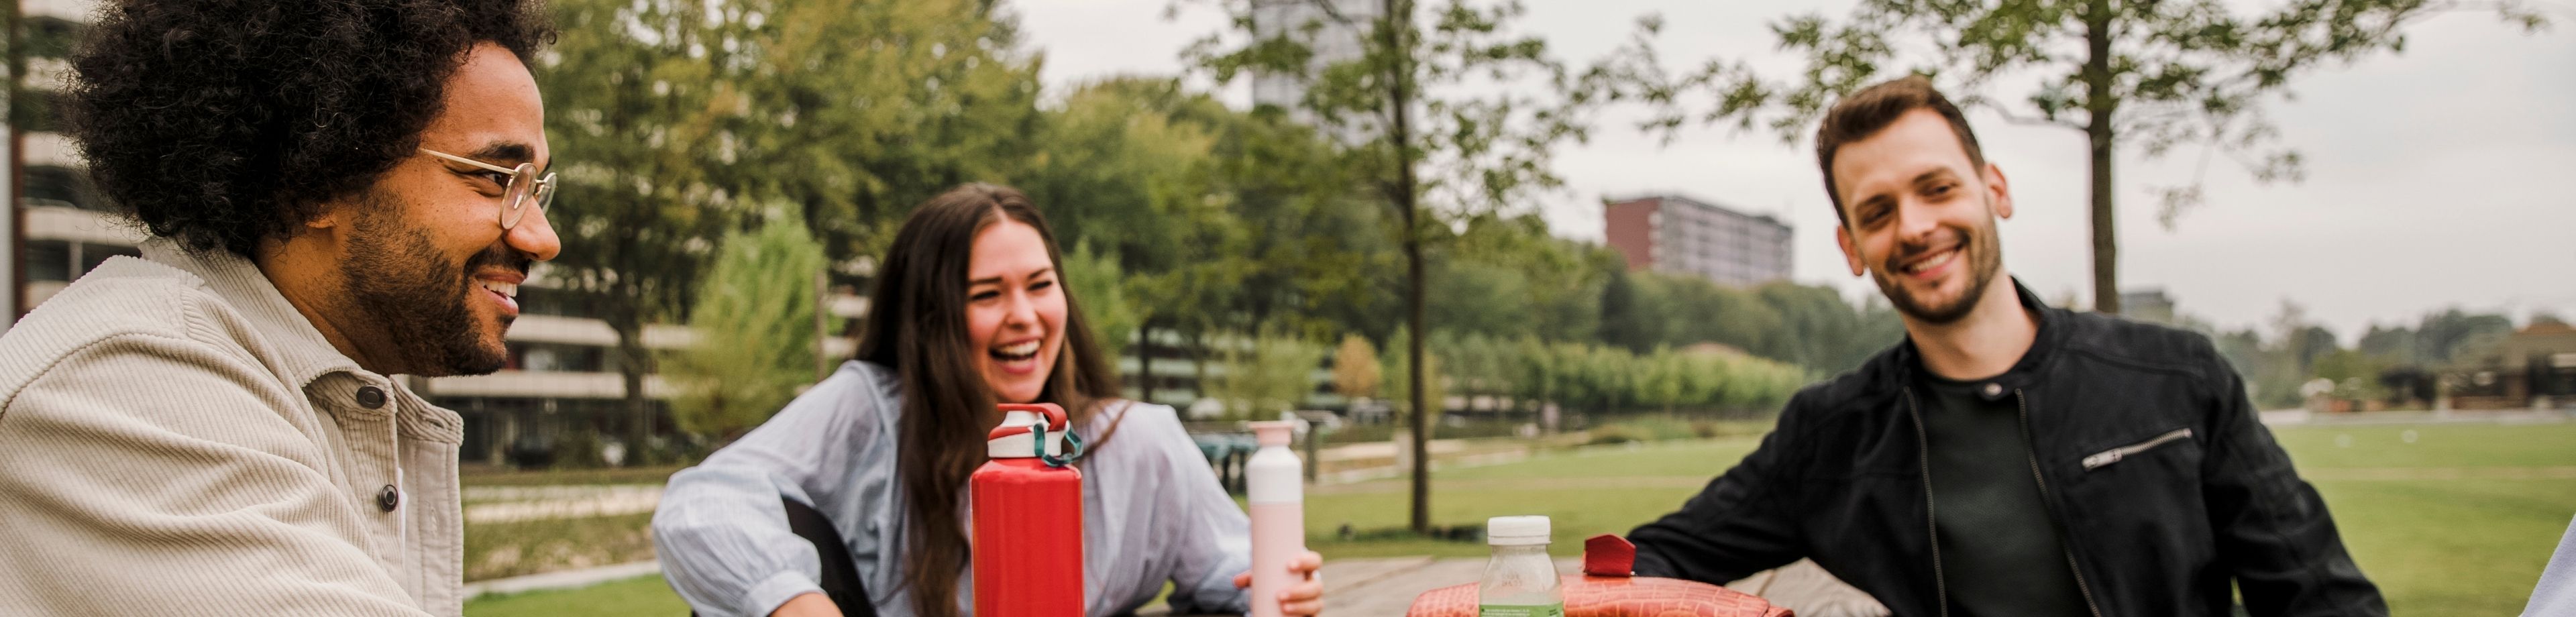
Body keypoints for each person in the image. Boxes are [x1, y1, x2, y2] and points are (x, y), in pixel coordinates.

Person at [1625, 76, 2385, 617]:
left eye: (1937, 188)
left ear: (1996, 190)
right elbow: (1646, 565)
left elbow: (2321, 597)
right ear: (1851, 245)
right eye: (1879, 210)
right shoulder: (1828, 435)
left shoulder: (2179, 379)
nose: (1915, 226)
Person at [0, 1, 559, 615]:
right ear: (316, 180)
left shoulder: (300, 388)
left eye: (536, 188)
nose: (542, 237)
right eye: (496, 179)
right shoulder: (127, 382)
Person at [652, 184, 1326, 617]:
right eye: (986, 294)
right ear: (930, 317)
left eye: (1040, 285)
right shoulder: (870, 410)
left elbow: (1232, 564)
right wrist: (794, 602)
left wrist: (1277, 583)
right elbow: (703, 502)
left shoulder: (1137, 440)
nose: (1024, 316)